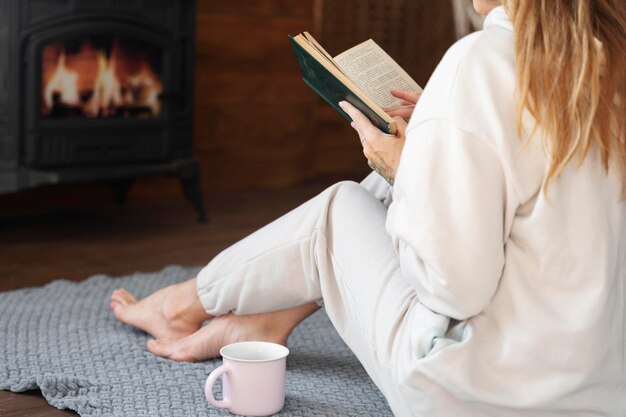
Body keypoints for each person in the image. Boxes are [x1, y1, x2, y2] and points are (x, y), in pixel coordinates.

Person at [110, 0, 626, 415]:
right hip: (598, 389)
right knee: (381, 186)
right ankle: (259, 322)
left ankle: (181, 307)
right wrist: (437, 134)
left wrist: (410, 169)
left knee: (339, 211)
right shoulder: (604, 67)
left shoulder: (483, 61)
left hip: (484, 395)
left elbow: (455, 288)